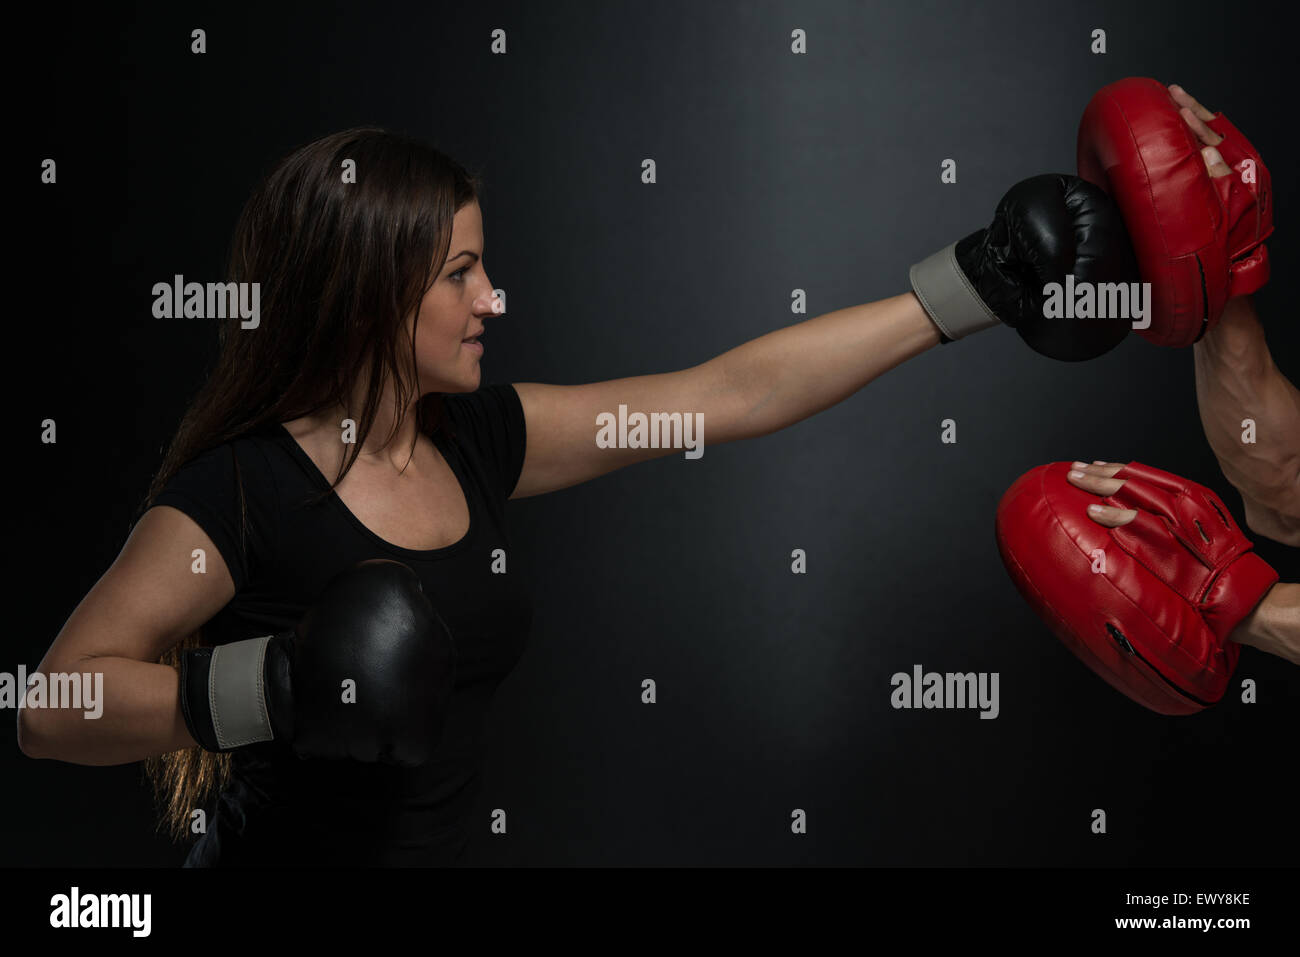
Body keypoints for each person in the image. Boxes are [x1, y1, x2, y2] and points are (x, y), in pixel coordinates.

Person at [17, 84, 1290, 865]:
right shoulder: (241, 494)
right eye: (459, 272)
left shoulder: (482, 442)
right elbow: (47, 705)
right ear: (366, 289)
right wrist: (272, 687)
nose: (491, 296)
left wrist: (970, 289)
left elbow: (720, 398)